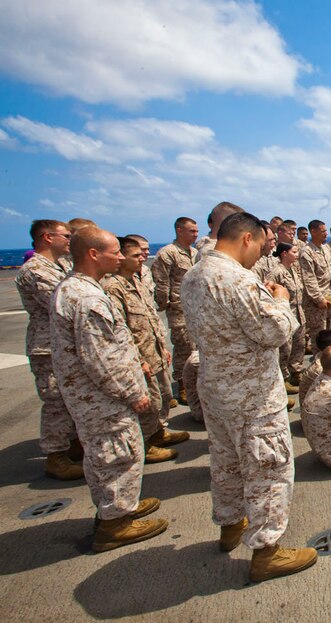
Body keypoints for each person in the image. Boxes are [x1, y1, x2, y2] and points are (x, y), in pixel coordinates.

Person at [181, 211, 316, 583]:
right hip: (251, 395)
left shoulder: (194, 276)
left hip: (216, 388)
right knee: (269, 468)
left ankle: (229, 526)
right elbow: (275, 332)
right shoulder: (237, 279)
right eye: (260, 244)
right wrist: (282, 301)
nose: (261, 254)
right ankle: (266, 551)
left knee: (226, 462)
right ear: (246, 238)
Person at [51, 226, 168, 551]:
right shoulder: (88, 298)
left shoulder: (78, 289)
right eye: (114, 252)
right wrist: (133, 392)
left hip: (94, 397)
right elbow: (99, 358)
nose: (119, 257)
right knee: (117, 453)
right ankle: (114, 523)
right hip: (102, 399)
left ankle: (119, 508)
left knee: (109, 454)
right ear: (92, 254)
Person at [103, 236, 189, 461]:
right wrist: (138, 359)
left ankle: (157, 433)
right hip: (138, 356)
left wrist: (162, 346)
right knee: (147, 402)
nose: (142, 258)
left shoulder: (136, 281)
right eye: (135, 255)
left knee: (160, 397)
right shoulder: (113, 288)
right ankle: (146, 443)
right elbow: (120, 330)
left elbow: (149, 318)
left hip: (153, 350)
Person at [16, 219, 83, 480]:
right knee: (56, 401)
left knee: (71, 398)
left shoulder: (62, 265)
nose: (69, 239)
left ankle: (74, 446)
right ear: (46, 237)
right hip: (47, 346)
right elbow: (63, 301)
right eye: (65, 235)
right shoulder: (35, 270)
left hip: (65, 343)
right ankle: (56, 457)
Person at [152, 216, 199, 404]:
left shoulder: (194, 253)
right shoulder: (167, 253)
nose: (195, 234)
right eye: (191, 231)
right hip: (179, 309)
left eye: (196, 231)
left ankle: (193, 383)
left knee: (195, 347)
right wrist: (166, 304)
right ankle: (182, 385)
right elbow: (161, 282)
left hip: (195, 308)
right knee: (183, 348)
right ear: (179, 230)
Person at [267, 242, 306, 390]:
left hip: (298, 311)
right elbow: (270, 292)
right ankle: (283, 379)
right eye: (294, 252)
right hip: (286, 311)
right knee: (285, 348)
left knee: (299, 344)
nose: (296, 255)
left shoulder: (292, 270)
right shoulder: (277, 272)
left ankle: (296, 372)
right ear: (284, 253)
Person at [299, 219, 331, 344]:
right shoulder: (306, 252)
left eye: (326, 231)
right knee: (319, 333)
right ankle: (318, 360)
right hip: (317, 301)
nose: (326, 234)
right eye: (323, 231)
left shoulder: (325, 249)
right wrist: (318, 299)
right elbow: (309, 279)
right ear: (313, 231)